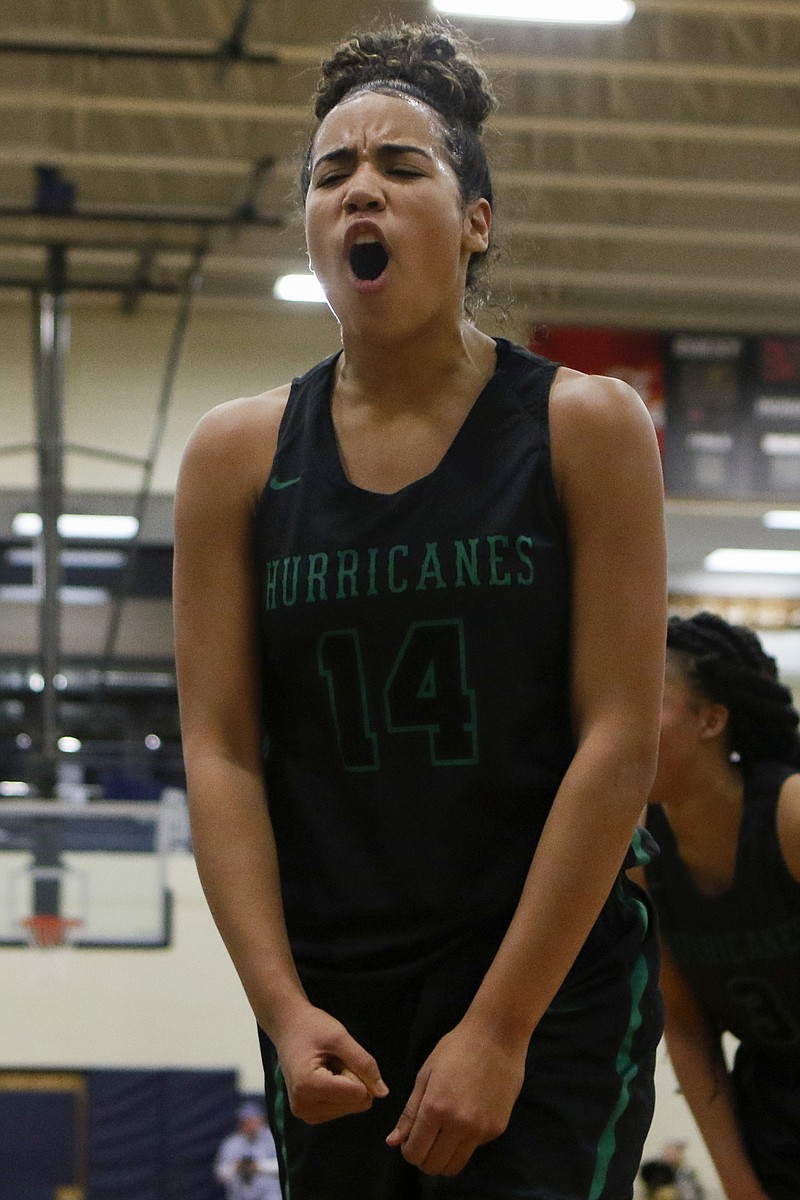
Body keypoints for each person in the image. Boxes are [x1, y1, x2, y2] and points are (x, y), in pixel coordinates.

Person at [173, 21, 667, 1199]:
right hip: (336, 990)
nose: (360, 192)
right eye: (330, 173)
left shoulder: (581, 424)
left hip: (544, 980)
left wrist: (500, 1028)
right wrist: (281, 1009)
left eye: (401, 168)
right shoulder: (236, 455)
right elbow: (221, 751)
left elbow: (618, 739)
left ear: (473, 221)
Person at [640, 612, 800, 1200]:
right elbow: (685, 1026)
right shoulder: (642, 852)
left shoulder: (790, 814)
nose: (624, 715)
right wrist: (739, 1184)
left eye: (649, 697)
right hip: (772, 1106)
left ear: (712, 719)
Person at [214, 1101, 281, 1200]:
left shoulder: (273, 1140)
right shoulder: (231, 1144)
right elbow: (219, 1173)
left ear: (261, 1120)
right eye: (245, 1121)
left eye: (253, 1120)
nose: (250, 1125)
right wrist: (237, 1167)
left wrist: (258, 1167)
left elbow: (284, 1167)